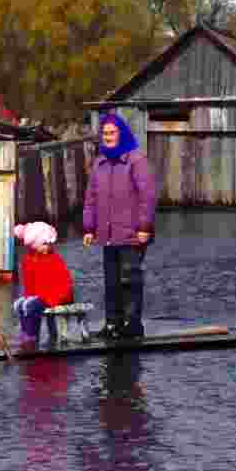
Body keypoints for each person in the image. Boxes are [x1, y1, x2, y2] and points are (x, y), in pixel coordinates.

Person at [82, 112, 157, 340]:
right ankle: (112, 324)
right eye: (105, 133)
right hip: (107, 233)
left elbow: (148, 196)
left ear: (121, 133)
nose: (108, 137)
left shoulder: (136, 160)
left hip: (132, 233)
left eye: (112, 133)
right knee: (111, 281)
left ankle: (132, 325)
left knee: (130, 279)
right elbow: (91, 198)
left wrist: (145, 226)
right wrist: (89, 228)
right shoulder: (100, 163)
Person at [11, 221, 74, 343]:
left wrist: (57, 298)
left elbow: (65, 283)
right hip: (41, 296)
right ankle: (25, 332)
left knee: (30, 305)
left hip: (56, 296)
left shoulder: (55, 259)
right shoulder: (28, 260)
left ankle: (32, 335)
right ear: (34, 245)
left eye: (49, 244)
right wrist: (28, 297)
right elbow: (29, 284)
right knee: (19, 304)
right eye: (44, 244)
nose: (48, 247)